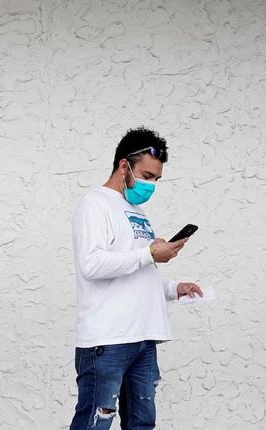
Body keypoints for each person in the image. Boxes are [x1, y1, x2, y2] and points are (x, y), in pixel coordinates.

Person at [69, 127, 204, 430]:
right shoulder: (95, 204)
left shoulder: (137, 211)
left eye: (156, 179)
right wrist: (150, 254)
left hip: (143, 338)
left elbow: (139, 268)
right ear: (123, 165)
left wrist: (173, 288)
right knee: (95, 423)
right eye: (146, 175)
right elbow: (92, 264)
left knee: (142, 423)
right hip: (108, 340)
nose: (151, 185)